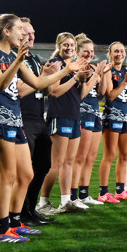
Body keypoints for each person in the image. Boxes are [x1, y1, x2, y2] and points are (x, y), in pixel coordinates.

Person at [0, 14, 85, 242]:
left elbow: (39, 83)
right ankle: (2, 231)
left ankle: (16, 223)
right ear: (7, 31)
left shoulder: (12, 56)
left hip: (15, 120)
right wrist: (17, 62)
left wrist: (67, 70)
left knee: (27, 173)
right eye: (19, 28)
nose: (23, 33)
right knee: (7, 175)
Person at [37, 33, 94, 215]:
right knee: (56, 163)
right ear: (59, 45)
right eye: (66, 45)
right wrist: (75, 77)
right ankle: (43, 202)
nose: (69, 48)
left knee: (69, 161)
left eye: (71, 45)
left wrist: (85, 77)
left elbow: (81, 95)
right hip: (59, 116)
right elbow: (54, 92)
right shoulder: (55, 64)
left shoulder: (73, 65)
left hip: (74, 116)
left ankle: (65, 200)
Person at [17, 18, 60, 226]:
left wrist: (49, 78)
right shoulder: (12, 58)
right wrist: (42, 77)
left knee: (43, 165)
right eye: (27, 33)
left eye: (33, 33)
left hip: (38, 118)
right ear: (17, 34)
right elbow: (20, 91)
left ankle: (30, 210)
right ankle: (20, 214)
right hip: (22, 118)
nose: (32, 37)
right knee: (24, 171)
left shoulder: (33, 58)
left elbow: (47, 91)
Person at [71, 34, 110, 206]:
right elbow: (81, 93)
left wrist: (102, 73)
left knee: (91, 157)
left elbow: (102, 92)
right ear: (78, 51)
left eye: (92, 51)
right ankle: (72, 196)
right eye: (85, 51)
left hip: (95, 113)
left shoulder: (93, 67)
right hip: (83, 112)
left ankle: (84, 194)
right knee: (80, 157)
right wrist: (94, 75)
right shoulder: (75, 67)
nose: (89, 54)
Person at [97, 41, 127, 203]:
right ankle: (103, 193)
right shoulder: (108, 71)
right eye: (116, 51)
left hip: (126, 116)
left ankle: (120, 190)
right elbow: (110, 95)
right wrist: (125, 82)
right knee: (110, 155)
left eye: (122, 51)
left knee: (126, 154)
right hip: (112, 116)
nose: (119, 54)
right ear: (110, 54)